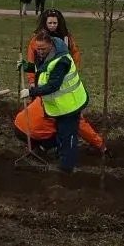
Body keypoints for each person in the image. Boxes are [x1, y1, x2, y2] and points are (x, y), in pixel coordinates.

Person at [22, 32, 87, 173]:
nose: (39, 52)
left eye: (43, 49)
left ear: (51, 45)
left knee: (68, 135)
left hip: (70, 105)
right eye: (37, 49)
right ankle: (61, 156)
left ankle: (67, 168)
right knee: (61, 132)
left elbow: (53, 86)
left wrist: (31, 92)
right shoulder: (47, 56)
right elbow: (41, 71)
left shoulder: (61, 61)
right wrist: (25, 66)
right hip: (60, 106)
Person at [13, 97, 105, 156]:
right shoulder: (69, 110)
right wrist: (101, 145)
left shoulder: (50, 93)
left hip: (18, 127)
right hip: (33, 133)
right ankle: (42, 149)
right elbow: (83, 129)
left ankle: (35, 146)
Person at [22, 9, 82, 85]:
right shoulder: (37, 39)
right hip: (42, 76)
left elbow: (75, 54)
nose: (52, 25)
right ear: (45, 23)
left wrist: (73, 71)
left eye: (55, 23)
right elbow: (31, 59)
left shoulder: (66, 37)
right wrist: (32, 81)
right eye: (50, 23)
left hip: (62, 75)